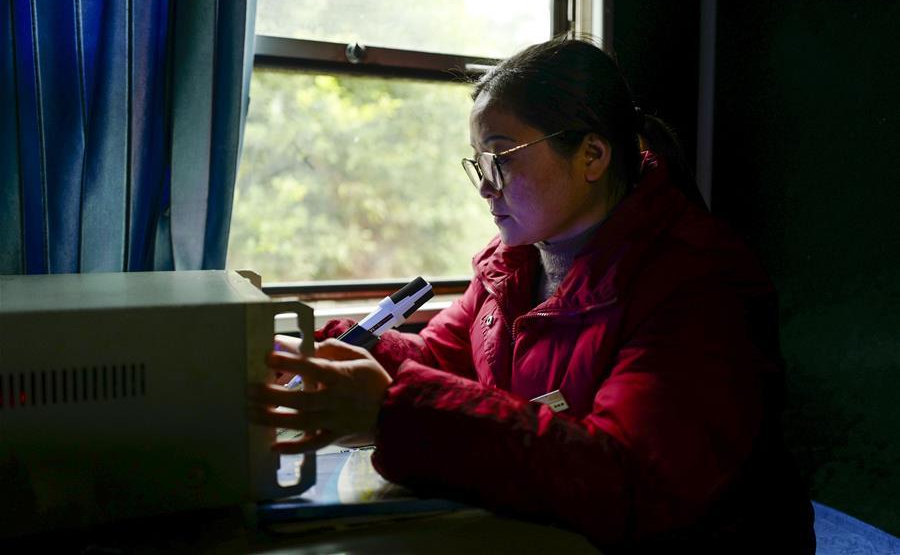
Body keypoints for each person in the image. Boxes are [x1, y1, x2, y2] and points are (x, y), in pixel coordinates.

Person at [248, 38, 815, 553]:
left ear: (592, 156)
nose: (484, 186)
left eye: (502, 157)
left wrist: (389, 413)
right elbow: (436, 359)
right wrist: (327, 351)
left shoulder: (701, 283)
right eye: (478, 163)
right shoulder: (513, 265)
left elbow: (628, 481)